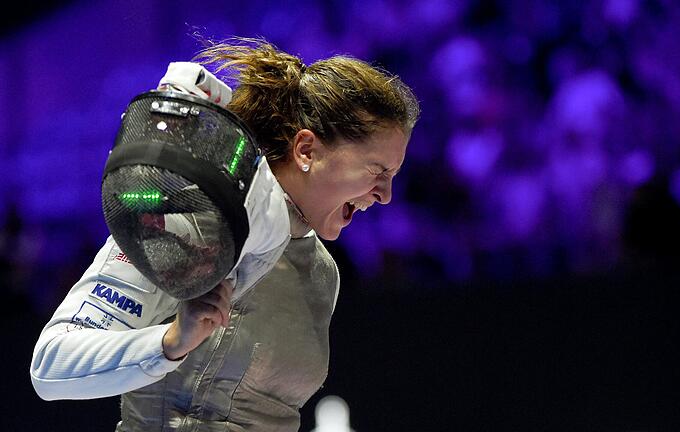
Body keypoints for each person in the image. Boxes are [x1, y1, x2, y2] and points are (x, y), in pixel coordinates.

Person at [30, 37, 419, 431]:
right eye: (377, 171)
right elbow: (52, 364)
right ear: (306, 151)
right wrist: (170, 342)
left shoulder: (323, 273)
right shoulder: (192, 220)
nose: (385, 196)